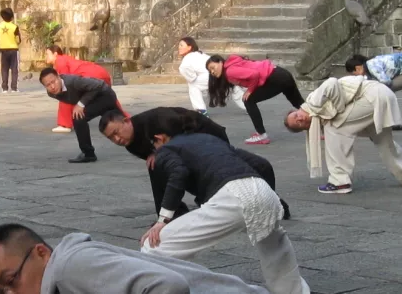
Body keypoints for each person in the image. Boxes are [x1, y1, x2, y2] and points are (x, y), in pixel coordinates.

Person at [141, 128, 310, 294]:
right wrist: (268, 197)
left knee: (153, 248)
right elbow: (261, 163)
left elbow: (178, 173)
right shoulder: (209, 139)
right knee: (275, 249)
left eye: (153, 145)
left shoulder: (166, 149)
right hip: (263, 190)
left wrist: (162, 220)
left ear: (160, 137)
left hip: (232, 197)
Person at [98, 108, 290, 219]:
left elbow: (188, 123)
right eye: (110, 138)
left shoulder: (156, 119)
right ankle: (174, 212)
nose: (116, 139)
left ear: (126, 121)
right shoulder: (130, 145)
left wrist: (167, 144)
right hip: (181, 149)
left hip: (206, 134)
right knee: (158, 168)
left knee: (254, 166)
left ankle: (274, 202)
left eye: (116, 132)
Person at [0, 223, 267, 294]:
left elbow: (168, 286)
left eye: (11, 281)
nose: (11, 293)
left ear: (41, 252)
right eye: (0, 292)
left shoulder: (68, 267)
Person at [284, 76, 402, 194]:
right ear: (306, 128)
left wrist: (339, 108)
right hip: (381, 95)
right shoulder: (318, 116)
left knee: (334, 127)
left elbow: (331, 82)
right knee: (383, 142)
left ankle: (340, 181)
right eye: (298, 124)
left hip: (372, 95)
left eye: (296, 115)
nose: (300, 119)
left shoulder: (312, 102)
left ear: (298, 109)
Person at [205, 54, 305, 145]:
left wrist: (250, 90)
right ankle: (319, 127)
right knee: (301, 104)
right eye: (210, 71)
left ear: (220, 62)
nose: (212, 72)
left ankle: (261, 135)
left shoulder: (229, 71)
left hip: (276, 78)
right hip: (282, 74)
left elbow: (254, 75)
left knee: (248, 100)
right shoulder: (232, 65)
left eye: (213, 67)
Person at [39, 68, 121, 163]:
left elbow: (99, 85)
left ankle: (88, 154)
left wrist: (81, 104)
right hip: (92, 100)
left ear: (58, 76)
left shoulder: (73, 81)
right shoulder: (51, 94)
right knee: (123, 121)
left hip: (105, 95)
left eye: (53, 81)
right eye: (48, 85)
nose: (52, 86)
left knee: (78, 117)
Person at [46, 46, 114, 134]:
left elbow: (65, 83)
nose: (46, 56)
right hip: (101, 72)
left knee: (63, 94)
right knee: (107, 98)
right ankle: (121, 117)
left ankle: (65, 124)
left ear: (55, 54)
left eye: (47, 54)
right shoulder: (65, 59)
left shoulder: (60, 60)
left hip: (91, 75)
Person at [176, 37, 243, 115]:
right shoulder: (200, 54)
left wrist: (194, 78)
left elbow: (188, 75)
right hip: (221, 71)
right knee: (233, 87)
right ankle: (247, 105)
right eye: (179, 45)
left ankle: (201, 111)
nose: (179, 47)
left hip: (210, 75)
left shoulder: (186, 60)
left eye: (181, 45)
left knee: (193, 86)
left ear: (189, 47)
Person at [0, 7, 22, 93]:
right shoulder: (14, 27)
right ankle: (14, 87)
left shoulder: (0, 26)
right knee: (14, 69)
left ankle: (4, 88)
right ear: (12, 17)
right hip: (13, 49)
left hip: (3, 49)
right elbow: (18, 40)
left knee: (4, 69)